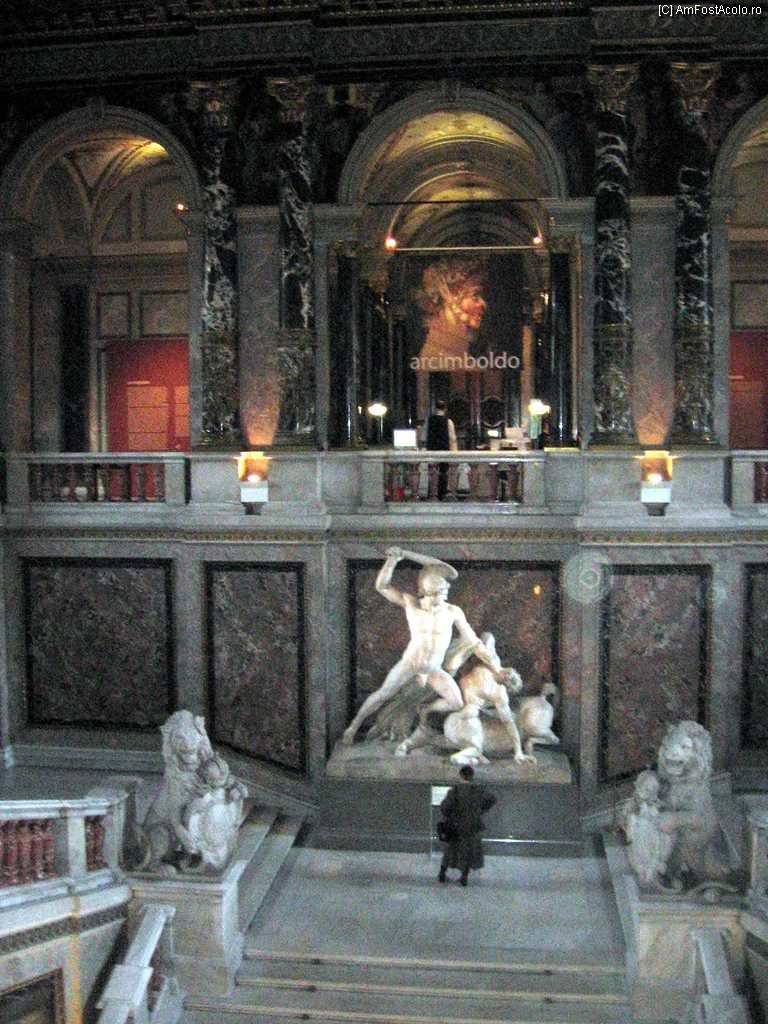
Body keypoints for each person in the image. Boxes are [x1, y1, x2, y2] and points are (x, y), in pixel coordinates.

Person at [341, 548, 508, 750]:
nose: (445, 594)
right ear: (429, 592)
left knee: (456, 703)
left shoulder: (453, 612)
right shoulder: (411, 604)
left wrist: (497, 669)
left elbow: (475, 642)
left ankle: (426, 710)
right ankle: (353, 727)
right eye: (441, 591)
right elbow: (382, 586)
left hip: (433, 670)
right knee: (383, 694)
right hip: (410, 664)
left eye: (445, 591)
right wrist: (393, 561)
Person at [438, 764, 496, 886]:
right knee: (469, 851)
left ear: (461, 775)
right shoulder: (479, 790)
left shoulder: (455, 790)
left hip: (456, 826)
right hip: (473, 826)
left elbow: (445, 807)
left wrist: (450, 816)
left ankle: (442, 873)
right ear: (472, 775)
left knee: (450, 851)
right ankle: (464, 877)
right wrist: (481, 810)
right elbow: (492, 799)